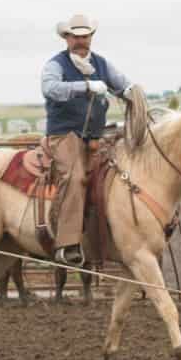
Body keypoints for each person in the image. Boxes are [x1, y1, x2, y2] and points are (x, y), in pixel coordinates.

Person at [40, 15, 132, 268]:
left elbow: (122, 85)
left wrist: (132, 92)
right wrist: (86, 87)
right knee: (75, 177)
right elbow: (50, 89)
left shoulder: (102, 64)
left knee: (119, 173)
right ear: (67, 38)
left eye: (85, 36)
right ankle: (67, 244)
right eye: (76, 36)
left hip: (96, 135)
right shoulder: (55, 65)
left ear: (91, 37)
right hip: (64, 134)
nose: (81, 41)